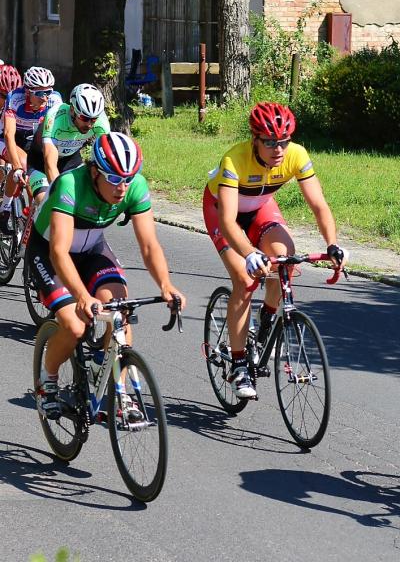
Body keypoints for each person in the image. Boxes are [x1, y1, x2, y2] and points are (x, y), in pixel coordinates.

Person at [30, 131, 186, 420]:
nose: (122, 187)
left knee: (120, 310)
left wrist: (166, 285)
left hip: (92, 248)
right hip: (49, 251)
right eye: (113, 178)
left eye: (128, 178)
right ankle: (47, 382)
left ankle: (120, 390)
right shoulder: (70, 184)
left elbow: (149, 245)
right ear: (94, 172)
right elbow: (59, 252)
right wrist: (82, 296)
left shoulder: (135, 187)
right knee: (75, 326)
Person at [203, 102, 346, 398]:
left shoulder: (297, 155)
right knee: (245, 280)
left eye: (284, 141)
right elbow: (228, 222)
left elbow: (319, 205)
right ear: (255, 139)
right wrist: (249, 253)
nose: (278, 149)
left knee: (286, 258)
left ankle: (265, 321)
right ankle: (239, 364)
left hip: (260, 207)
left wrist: (332, 244)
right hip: (222, 213)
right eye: (269, 142)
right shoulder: (234, 160)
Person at [24, 83, 110, 206]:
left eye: (93, 119)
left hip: (70, 160)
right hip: (40, 162)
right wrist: (61, 198)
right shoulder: (55, 117)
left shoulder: (101, 122)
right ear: (72, 110)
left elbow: (107, 158)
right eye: (84, 118)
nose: (89, 124)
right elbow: (50, 164)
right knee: (48, 203)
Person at [0, 66, 62, 230]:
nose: (45, 97)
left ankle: (30, 216)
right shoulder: (15, 98)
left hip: (33, 140)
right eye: (40, 93)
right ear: (28, 92)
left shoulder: (55, 101)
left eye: (48, 92)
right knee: (23, 164)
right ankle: (4, 209)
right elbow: (8, 135)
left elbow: (55, 136)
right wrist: (17, 167)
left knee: (34, 184)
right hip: (10, 139)